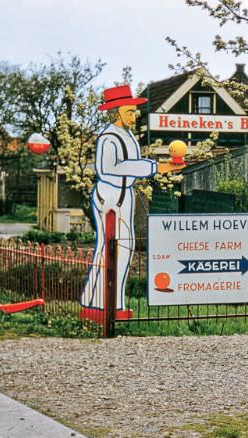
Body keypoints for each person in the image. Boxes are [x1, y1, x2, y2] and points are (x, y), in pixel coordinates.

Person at [80, 85, 157, 321]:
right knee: (108, 248)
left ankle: (114, 303)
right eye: (130, 111)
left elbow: (129, 167)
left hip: (125, 193)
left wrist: (151, 168)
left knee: (124, 247)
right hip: (111, 194)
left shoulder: (128, 135)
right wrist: (150, 167)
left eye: (134, 111)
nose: (134, 115)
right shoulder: (108, 138)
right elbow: (108, 169)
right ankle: (96, 303)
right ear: (117, 112)